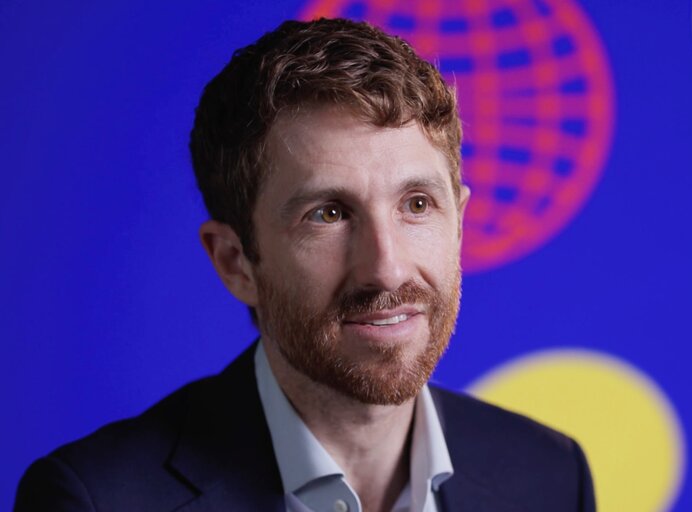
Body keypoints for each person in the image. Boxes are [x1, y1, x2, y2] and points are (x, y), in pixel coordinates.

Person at [15, 17, 595, 512]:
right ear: (235, 262)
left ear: (459, 224)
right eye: (329, 214)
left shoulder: (550, 477)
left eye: (417, 205)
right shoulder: (94, 499)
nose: (387, 269)